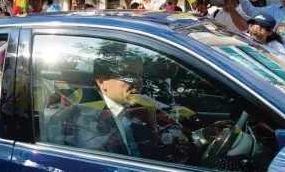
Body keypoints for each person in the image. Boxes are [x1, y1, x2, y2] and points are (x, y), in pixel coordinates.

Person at [47, 42, 231, 165]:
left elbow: (170, 138)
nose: (138, 82)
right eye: (128, 75)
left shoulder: (141, 107)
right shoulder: (81, 118)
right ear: (101, 81)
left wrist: (205, 134)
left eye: (140, 75)